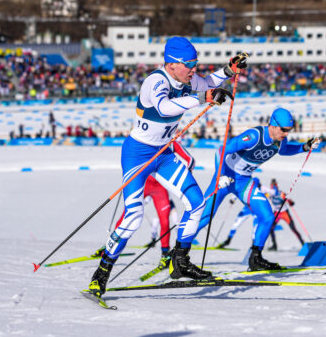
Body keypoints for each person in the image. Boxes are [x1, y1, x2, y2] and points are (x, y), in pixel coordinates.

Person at [87, 37, 247, 298]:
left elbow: (208, 83)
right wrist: (203, 97)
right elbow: (163, 108)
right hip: (138, 154)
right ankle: (101, 273)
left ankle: (179, 261)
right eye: (190, 64)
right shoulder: (156, 81)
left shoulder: (187, 79)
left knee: (196, 202)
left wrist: (228, 71)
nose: (194, 69)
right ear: (172, 64)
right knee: (134, 217)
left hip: (164, 153)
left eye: (196, 63)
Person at [185, 108, 317, 271]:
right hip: (226, 178)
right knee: (204, 217)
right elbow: (222, 150)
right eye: (284, 130)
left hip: (244, 182)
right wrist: (220, 175)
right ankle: (179, 255)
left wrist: (305, 147)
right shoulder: (254, 136)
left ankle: (256, 258)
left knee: (268, 216)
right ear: (274, 125)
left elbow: (285, 150)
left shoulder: (279, 141)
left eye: (289, 131)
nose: (286, 134)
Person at [111, 140, 194, 272]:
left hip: (160, 188)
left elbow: (190, 160)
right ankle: (111, 245)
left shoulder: (171, 142)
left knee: (164, 220)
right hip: (143, 184)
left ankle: (165, 254)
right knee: (127, 215)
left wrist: (184, 179)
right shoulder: (145, 139)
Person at [264, 179, 304, 251]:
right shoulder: (269, 194)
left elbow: (290, 201)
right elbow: (264, 197)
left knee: (293, 229)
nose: (273, 187)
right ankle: (274, 245)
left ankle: (303, 243)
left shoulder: (281, 193)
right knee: (270, 228)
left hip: (284, 212)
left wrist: (289, 202)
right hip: (277, 212)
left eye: (275, 185)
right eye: (272, 185)